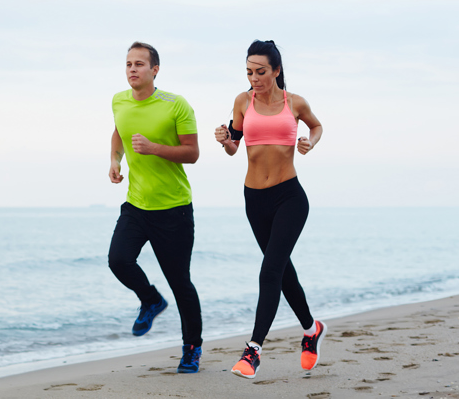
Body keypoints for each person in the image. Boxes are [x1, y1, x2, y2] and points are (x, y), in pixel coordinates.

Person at [214, 40, 326, 379]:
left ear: (276, 70)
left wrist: (310, 143)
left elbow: (317, 127)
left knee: (270, 269)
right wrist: (225, 139)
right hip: (254, 200)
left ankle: (253, 351)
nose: (254, 78)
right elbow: (233, 146)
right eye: (249, 72)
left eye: (260, 72)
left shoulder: (295, 103)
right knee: (282, 271)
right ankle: (311, 330)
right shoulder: (242, 101)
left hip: (289, 197)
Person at [109, 41, 203, 373]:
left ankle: (191, 349)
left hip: (173, 209)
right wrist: (114, 161)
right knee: (118, 260)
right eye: (128, 64)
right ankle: (150, 300)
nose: (132, 69)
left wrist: (154, 148)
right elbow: (119, 133)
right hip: (136, 205)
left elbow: (192, 153)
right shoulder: (119, 100)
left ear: (154, 70)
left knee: (180, 282)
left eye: (139, 64)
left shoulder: (176, 105)